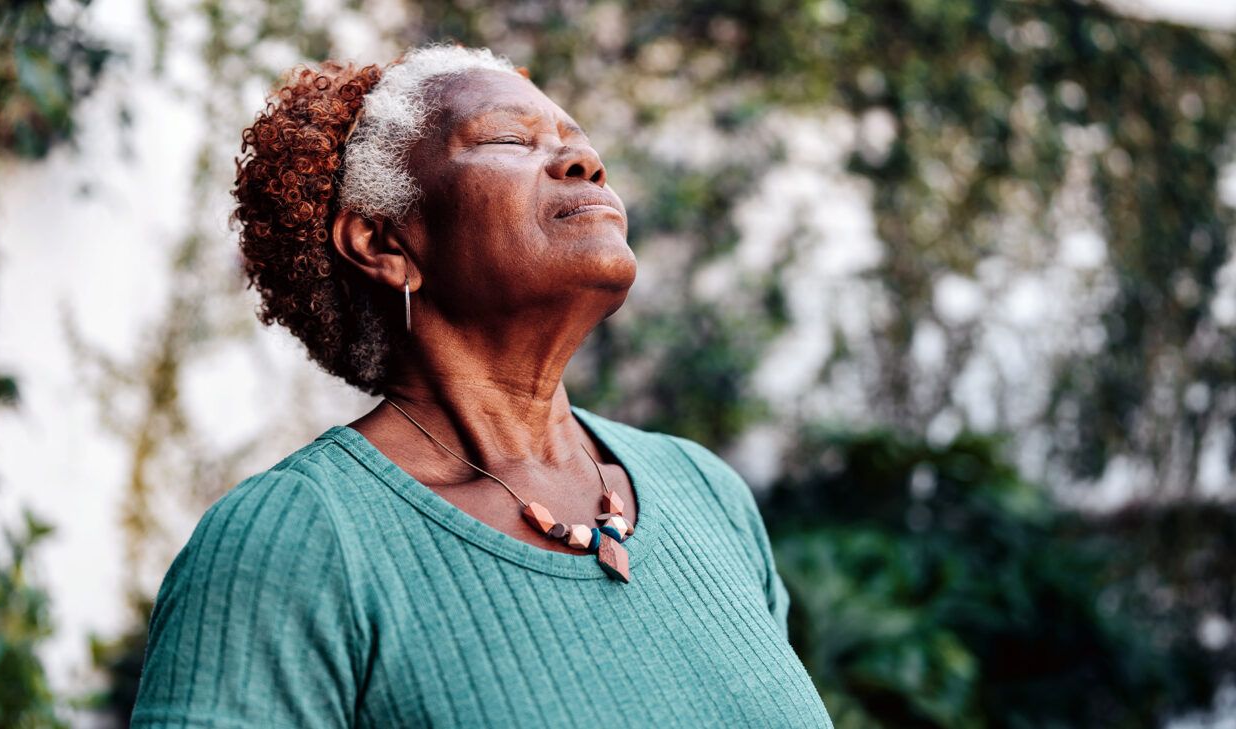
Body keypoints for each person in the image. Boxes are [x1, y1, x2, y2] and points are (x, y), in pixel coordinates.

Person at [128, 42, 833, 728]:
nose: (584, 163)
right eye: (507, 140)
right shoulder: (295, 541)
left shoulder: (705, 491)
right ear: (383, 243)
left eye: (578, 142)